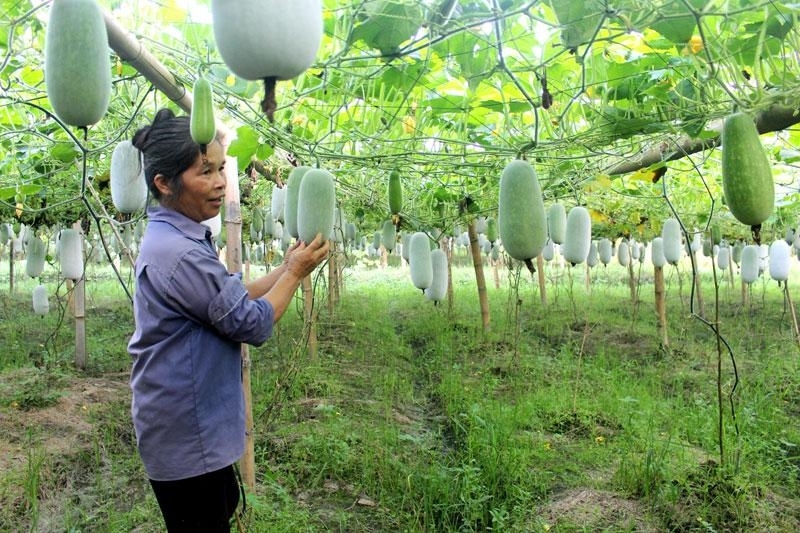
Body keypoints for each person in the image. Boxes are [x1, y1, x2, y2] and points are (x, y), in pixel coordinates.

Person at [127, 108, 329, 531]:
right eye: (206, 172)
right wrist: (294, 274)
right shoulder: (178, 253)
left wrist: (288, 265)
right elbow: (250, 323)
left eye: (221, 169)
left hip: (188, 430)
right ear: (164, 183)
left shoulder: (178, 237)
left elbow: (229, 295)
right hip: (187, 436)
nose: (221, 182)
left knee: (221, 505)